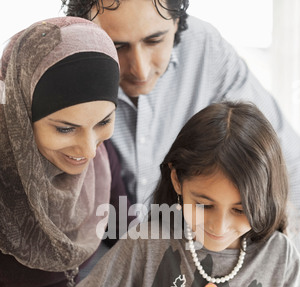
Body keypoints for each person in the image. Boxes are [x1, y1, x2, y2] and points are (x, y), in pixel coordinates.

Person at [44, 101, 300, 287]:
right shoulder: (150, 240)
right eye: (204, 204)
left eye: (241, 210)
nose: (219, 226)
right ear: (177, 180)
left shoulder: (280, 254)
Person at [0, 17, 176, 287]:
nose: (88, 148)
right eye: (64, 128)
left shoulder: (102, 160)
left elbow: (131, 240)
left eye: (103, 122)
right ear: (20, 114)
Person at [61, 0, 300, 222]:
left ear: (176, 22)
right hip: (99, 245)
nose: (141, 71)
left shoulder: (206, 50)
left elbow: (288, 163)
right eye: (117, 46)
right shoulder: (62, 64)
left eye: (154, 41)